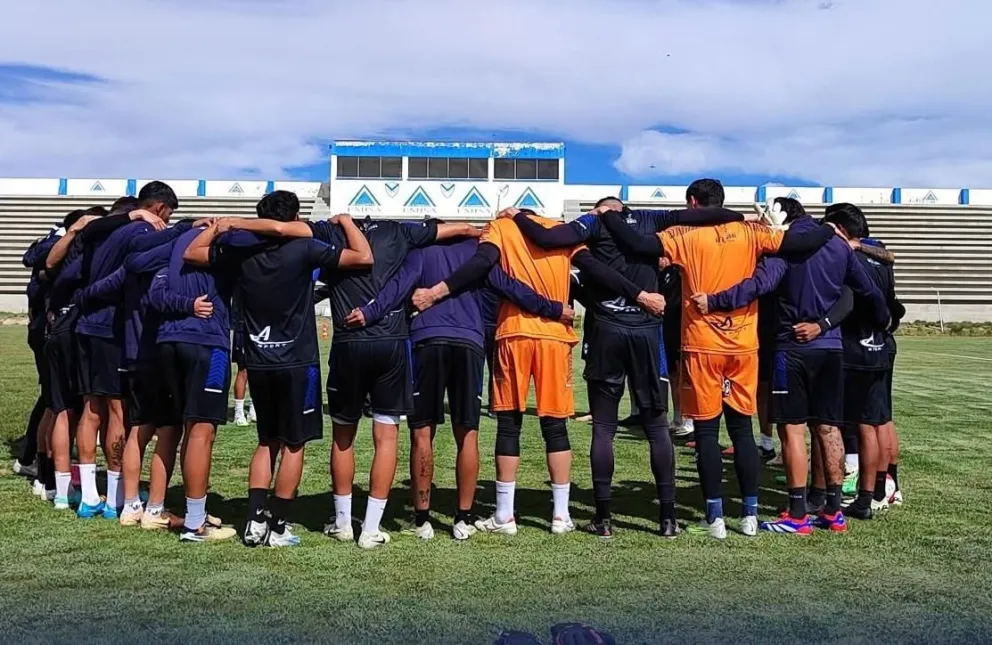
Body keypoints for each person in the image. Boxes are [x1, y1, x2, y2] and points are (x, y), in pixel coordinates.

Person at [600, 179, 839, 539]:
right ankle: (749, 515)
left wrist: (610, 216)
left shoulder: (683, 235)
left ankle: (714, 518)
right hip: (743, 345)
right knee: (742, 430)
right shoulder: (752, 233)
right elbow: (804, 241)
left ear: (693, 203)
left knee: (708, 432)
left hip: (702, 344)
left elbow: (634, 242)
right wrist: (827, 228)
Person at [413, 207, 665, 536]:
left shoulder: (500, 227)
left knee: (509, 424)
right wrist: (638, 295)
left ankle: (505, 515)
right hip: (554, 338)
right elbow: (595, 269)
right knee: (555, 426)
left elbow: (483, 264)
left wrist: (438, 290)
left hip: (514, 333)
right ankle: (561, 516)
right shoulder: (563, 231)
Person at [506, 197, 742, 537]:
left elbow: (547, 239)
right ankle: (667, 518)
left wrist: (518, 216)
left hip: (607, 331)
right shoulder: (649, 218)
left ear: (601, 209)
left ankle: (603, 519)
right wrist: (736, 215)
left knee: (604, 427)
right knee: (656, 426)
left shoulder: (593, 223)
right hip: (646, 331)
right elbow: (702, 214)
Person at [346, 231, 571, 540]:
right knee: (467, 432)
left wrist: (368, 312)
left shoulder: (422, 251)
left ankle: (422, 519)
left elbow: (396, 289)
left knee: (422, 432)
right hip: (469, 343)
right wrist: (555, 309)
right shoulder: (478, 253)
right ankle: (462, 518)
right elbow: (512, 288)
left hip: (427, 341)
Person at [693, 197, 890, 535]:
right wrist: (884, 319)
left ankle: (797, 513)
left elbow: (759, 285)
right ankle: (833, 510)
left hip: (792, 347)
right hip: (831, 349)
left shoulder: (785, 247)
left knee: (792, 430)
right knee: (829, 428)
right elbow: (867, 291)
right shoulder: (839, 247)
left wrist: (715, 301)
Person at [196, 192, 374, 547]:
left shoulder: (241, 252)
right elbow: (363, 256)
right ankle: (278, 527)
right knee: (295, 444)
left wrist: (217, 227)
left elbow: (193, 253)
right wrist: (347, 222)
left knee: (267, 441)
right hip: (298, 361)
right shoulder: (305, 249)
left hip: (259, 359)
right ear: (294, 217)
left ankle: (254, 521)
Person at [309, 214, 479, 549]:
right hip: (407, 342)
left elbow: (397, 286)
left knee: (346, 435)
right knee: (394, 436)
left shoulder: (337, 238)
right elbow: (490, 271)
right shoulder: (413, 236)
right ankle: (378, 527)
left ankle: (351, 522)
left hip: (356, 342)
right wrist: (477, 230)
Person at [72, 185, 172, 519]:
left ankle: (89, 494)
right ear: (159, 208)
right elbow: (133, 266)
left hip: (88, 327)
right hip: (110, 329)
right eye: (167, 217)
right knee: (117, 410)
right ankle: (117, 496)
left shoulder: (107, 234)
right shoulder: (139, 231)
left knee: (91, 408)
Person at [814, 205, 904, 518]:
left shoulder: (843, 255)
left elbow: (845, 299)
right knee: (877, 420)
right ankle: (876, 492)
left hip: (850, 344)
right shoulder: (880, 255)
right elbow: (892, 302)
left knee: (833, 423)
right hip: (880, 343)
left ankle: (827, 494)